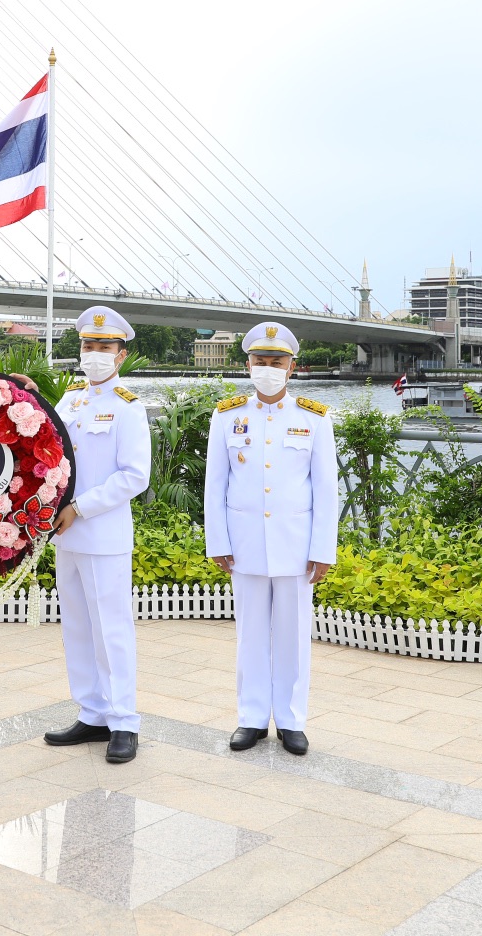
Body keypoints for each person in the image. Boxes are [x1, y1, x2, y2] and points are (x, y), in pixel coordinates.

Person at [203, 322, 338, 756]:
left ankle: (292, 720)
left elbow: (326, 490)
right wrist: (218, 540)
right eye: (260, 361)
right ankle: (251, 718)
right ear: (248, 364)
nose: (267, 368)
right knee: (250, 635)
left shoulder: (314, 418)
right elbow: (215, 485)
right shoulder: (227, 415)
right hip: (244, 543)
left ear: (291, 367)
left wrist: (322, 549)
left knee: (294, 634)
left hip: (296, 545)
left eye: (276, 362)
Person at [42, 306, 151, 763]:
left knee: (112, 630)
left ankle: (123, 720)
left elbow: (134, 476)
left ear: (121, 354)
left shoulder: (128, 407)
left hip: (102, 533)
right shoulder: (71, 402)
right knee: (79, 628)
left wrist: (79, 508)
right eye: (88, 346)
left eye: (104, 347)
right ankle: (92, 712)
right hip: (66, 536)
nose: (94, 354)